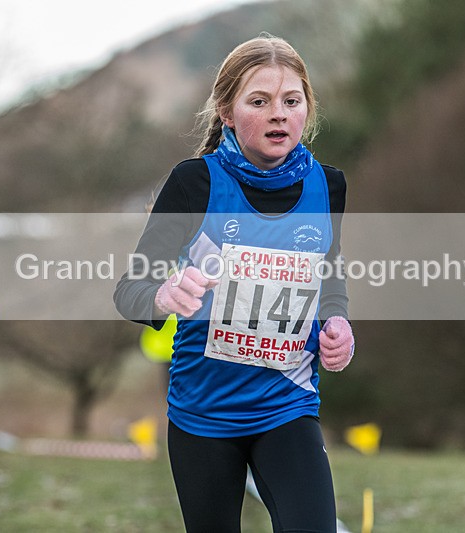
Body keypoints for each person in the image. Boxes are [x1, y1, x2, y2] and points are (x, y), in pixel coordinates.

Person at [114, 35, 355, 532]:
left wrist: (338, 325)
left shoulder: (328, 187)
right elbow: (130, 289)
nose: (278, 115)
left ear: (307, 108)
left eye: (292, 101)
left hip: (288, 405)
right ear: (227, 110)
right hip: (203, 413)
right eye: (259, 101)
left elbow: (328, 276)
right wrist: (162, 294)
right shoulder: (194, 183)